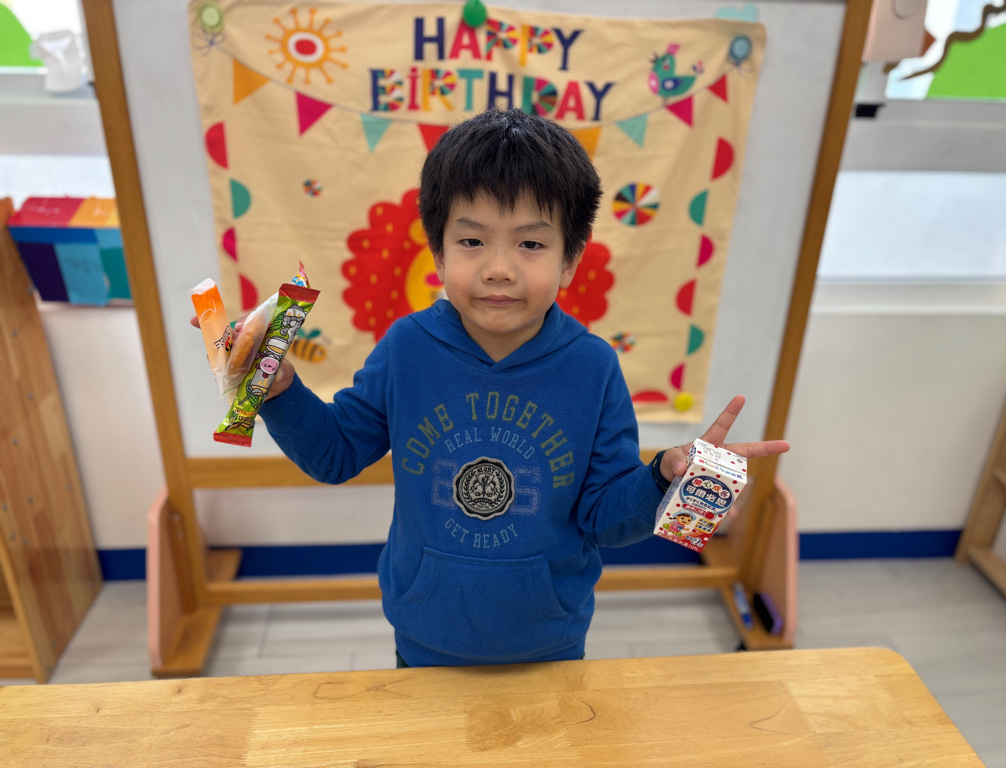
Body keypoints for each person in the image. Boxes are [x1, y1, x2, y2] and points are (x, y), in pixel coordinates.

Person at [241, 108, 789, 667]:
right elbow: (334, 454)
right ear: (438, 253)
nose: (499, 268)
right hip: (424, 639)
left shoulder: (593, 367)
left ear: (570, 260)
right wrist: (277, 388)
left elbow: (605, 518)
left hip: (551, 644)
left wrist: (666, 476)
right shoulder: (407, 348)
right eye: (472, 240)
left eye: (530, 244)